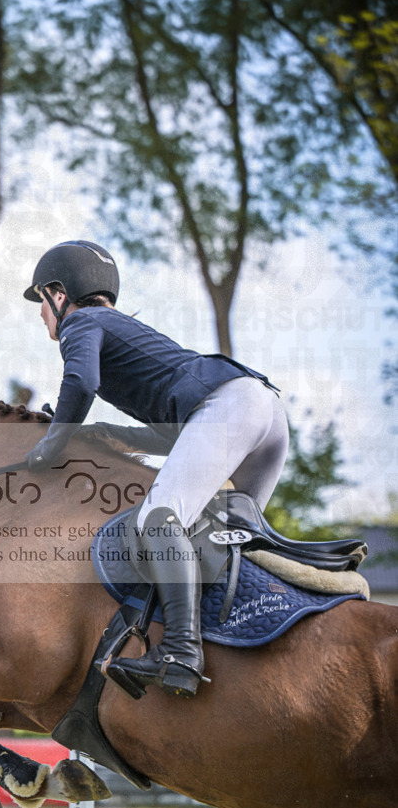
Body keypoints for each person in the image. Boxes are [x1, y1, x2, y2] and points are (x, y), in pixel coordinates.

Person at [23, 239, 289, 700]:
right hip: (264, 416)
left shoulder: (81, 322)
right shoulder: (122, 331)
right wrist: (112, 435)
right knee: (224, 539)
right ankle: (248, 641)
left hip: (231, 407)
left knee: (156, 519)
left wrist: (51, 444)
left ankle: (182, 653)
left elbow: (80, 383)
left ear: (59, 294)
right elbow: (177, 438)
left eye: (41, 301)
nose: (40, 314)